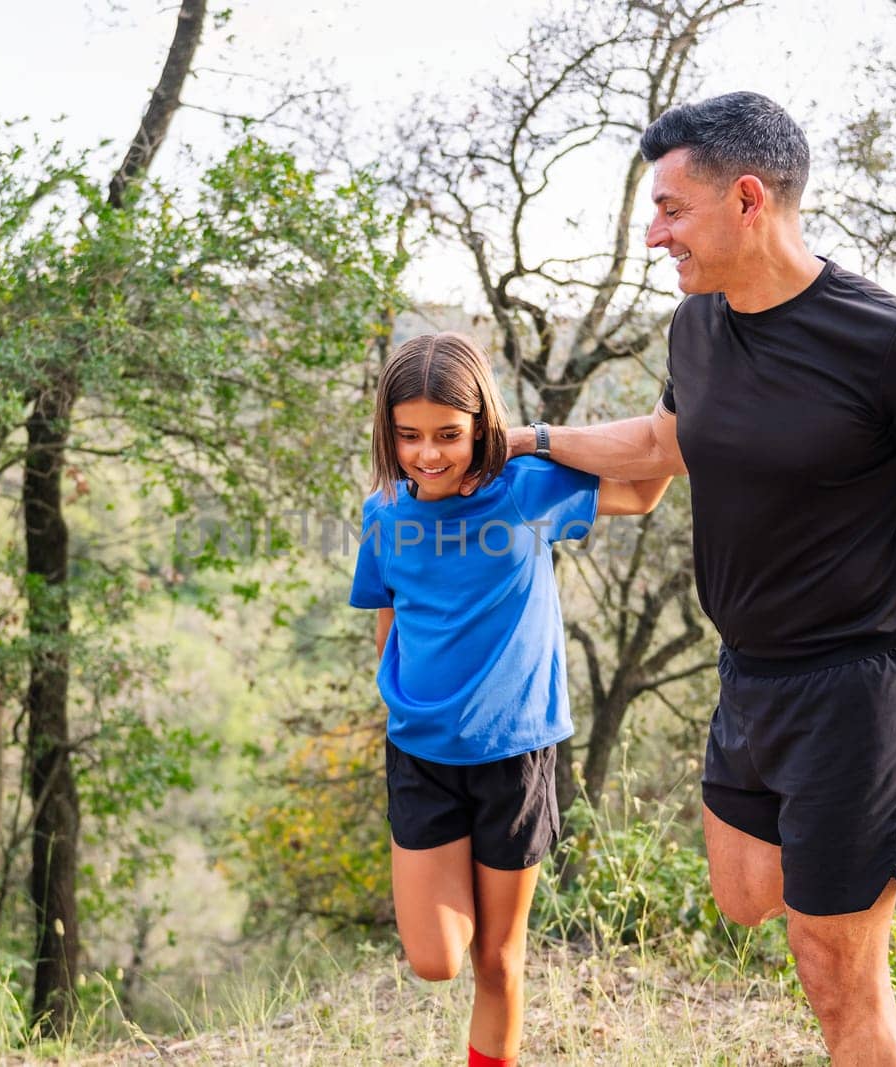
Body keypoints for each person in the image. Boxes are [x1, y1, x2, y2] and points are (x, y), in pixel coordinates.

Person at [505, 91, 896, 1065]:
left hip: (856, 682)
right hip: (751, 675)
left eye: (669, 210)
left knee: (834, 974)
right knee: (742, 897)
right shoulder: (698, 328)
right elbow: (664, 442)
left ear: (744, 199)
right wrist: (521, 437)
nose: (653, 235)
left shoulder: (891, 344)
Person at [349, 332, 670, 1067]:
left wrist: (534, 439)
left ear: (482, 426)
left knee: (499, 958)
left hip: (515, 756)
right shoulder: (384, 513)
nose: (429, 454)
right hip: (420, 757)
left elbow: (652, 480)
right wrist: (402, 702)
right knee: (437, 959)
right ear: (388, 432)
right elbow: (389, 615)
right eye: (410, 436)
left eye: (449, 435)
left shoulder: (526, 488)